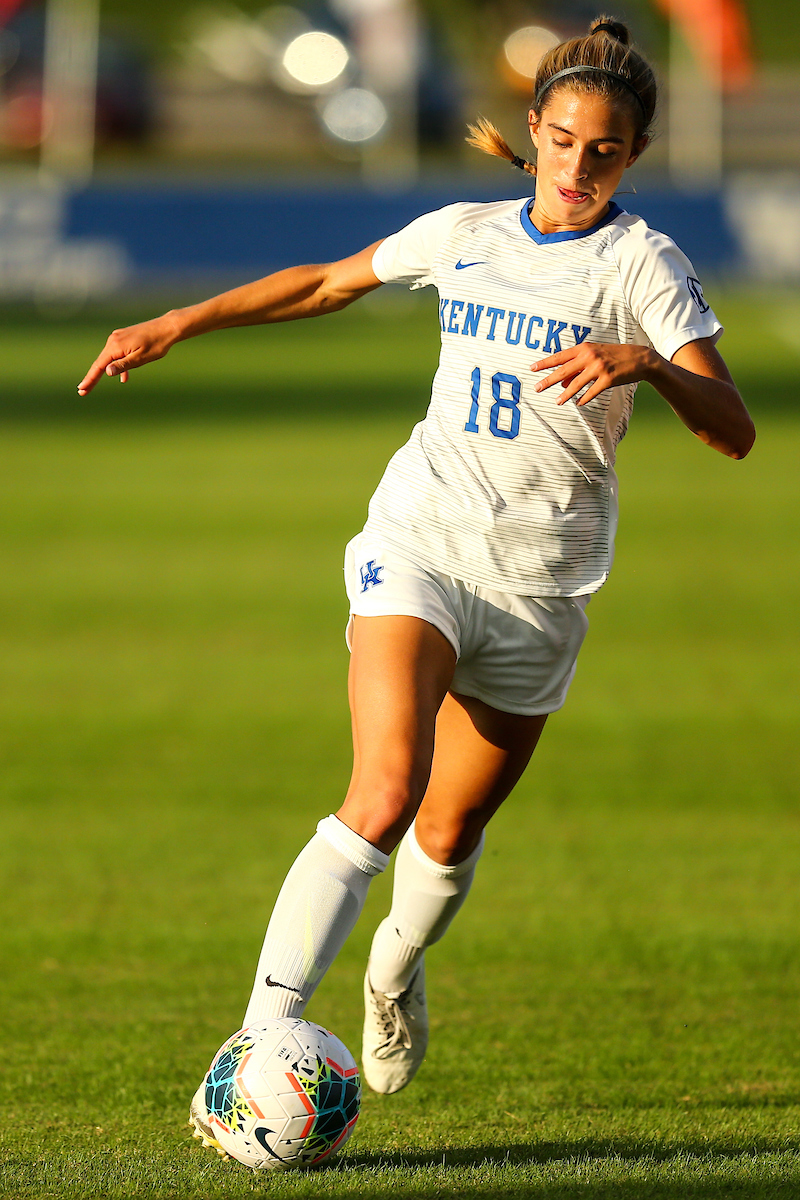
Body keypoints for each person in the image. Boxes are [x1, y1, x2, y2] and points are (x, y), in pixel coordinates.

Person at [79, 13, 754, 1152]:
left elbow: (731, 429)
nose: (578, 166)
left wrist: (644, 359)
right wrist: (179, 319)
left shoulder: (643, 266)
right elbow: (326, 285)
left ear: (630, 156)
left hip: (541, 586)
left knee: (445, 837)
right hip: (423, 544)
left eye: (604, 151)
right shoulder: (464, 232)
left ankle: (393, 968)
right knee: (383, 791)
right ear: (530, 132)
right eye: (561, 141)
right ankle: (255, 1048)